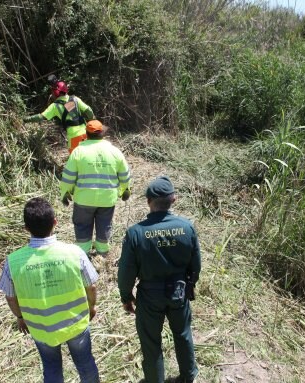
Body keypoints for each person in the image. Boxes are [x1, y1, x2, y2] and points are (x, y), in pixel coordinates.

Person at [0, 197, 100, 383]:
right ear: (55, 222)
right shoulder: (74, 253)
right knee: (85, 364)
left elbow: (11, 298)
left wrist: (20, 317)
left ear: (26, 228)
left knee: (51, 368)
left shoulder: (13, 261)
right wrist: (91, 307)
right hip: (75, 322)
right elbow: (91, 286)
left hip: (40, 327)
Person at [118, 176, 201, 383]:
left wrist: (126, 296)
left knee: (151, 342)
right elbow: (196, 264)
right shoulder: (187, 227)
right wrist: (190, 285)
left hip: (149, 296)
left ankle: (155, 380)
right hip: (179, 292)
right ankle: (188, 376)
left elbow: (126, 271)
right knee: (182, 334)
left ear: (148, 201)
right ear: (174, 199)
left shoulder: (135, 233)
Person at [59, 120, 131, 258]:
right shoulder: (114, 151)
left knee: (82, 226)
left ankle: (83, 256)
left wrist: (65, 193)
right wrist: (125, 190)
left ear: (86, 134)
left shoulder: (78, 152)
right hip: (107, 199)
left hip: (83, 200)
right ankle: (102, 255)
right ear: (103, 134)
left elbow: (68, 177)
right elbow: (124, 174)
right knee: (104, 225)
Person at [24, 77, 95, 153]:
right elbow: (89, 111)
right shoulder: (75, 99)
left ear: (56, 92)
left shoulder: (55, 106)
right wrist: (93, 120)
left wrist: (25, 119)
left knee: (76, 161)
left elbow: (40, 117)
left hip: (73, 137)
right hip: (86, 134)